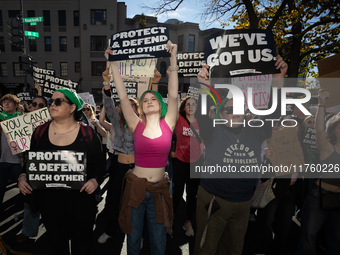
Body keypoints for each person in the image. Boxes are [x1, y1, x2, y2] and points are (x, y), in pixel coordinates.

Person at [194, 56, 287, 255]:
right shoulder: (213, 131)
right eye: (229, 109)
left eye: (239, 108)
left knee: (234, 249)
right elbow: (202, 114)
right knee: (206, 250)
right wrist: (204, 86)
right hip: (214, 203)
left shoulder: (256, 131)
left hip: (243, 205)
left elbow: (273, 111)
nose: (235, 112)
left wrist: (278, 80)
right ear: (220, 114)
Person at [106, 41, 178, 255]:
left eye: (152, 98)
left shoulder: (169, 123)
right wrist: (114, 64)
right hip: (135, 188)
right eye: (144, 99)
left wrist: (173, 58)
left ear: (160, 104)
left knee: (158, 238)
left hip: (159, 189)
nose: (148, 100)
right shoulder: (136, 124)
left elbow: (173, 94)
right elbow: (120, 93)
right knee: (133, 235)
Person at [18, 88, 103, 255]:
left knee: (82, 246)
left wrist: (94, 180)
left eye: (58, 101)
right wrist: (22, 177)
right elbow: (29, 162)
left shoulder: (88, 134)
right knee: (57, 245)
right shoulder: (39, 132)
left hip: (81, 204)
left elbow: (99, 163)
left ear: (72, 108)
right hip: (50, 204)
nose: (52, 105)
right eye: (51, 102)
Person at [97, 69, 141, 249]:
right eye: (126, 105)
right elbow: (108, 105)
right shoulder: (116, 122)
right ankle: (109, 230)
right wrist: (107, 84)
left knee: (137, 203)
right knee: (115, 199)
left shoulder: (142, 123)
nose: (129, 107)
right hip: (120, 165)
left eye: (133, 105)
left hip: (139, 168)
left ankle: (137, 234)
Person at [296, 89, 340, 255]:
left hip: (338, 199)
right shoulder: (327, 148)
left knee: (336, 240)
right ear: (334, 129)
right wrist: (321, 104)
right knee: (308, 236)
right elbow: (320, 130)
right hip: (319, 196)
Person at [17, 95, 48, 243]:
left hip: (51, 172)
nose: (37, 108)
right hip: (31, 169)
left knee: (51, 205)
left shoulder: (53, 126)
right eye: (34, 104)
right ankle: (28, 231)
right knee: (30, 202)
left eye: (41, 106)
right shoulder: (22, 126)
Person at [173, 96, 203, 237]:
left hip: (196, 162)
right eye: (188, 104)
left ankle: (188, 222)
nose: (191, 106)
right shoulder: (179, 119)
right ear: (183, 107)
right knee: (177, 192)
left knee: (192, 195)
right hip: (180, 162)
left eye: (194, 104)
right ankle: (170, 221)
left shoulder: (201, 122)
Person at [0, 94, 23, 218]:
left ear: (16, 105)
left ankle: (25, 210)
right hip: (2, 159)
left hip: (18, 161)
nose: (6, 103)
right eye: (4, 102)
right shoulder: (0, 119)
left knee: (24, 188)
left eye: (9, 101)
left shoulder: (22, 119)